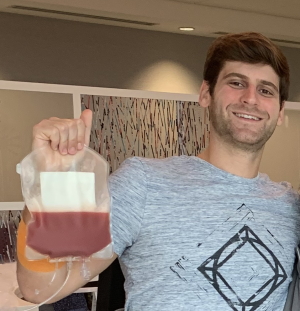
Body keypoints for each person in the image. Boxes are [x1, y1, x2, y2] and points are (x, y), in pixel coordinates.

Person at [17, 32, 300, 310]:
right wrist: (49, 184)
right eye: (236, 83)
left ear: (279, 111)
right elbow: (40, 287)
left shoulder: (290, 206)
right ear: (205, 94)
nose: (251, 98)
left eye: (265, 90)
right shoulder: (143, 183)